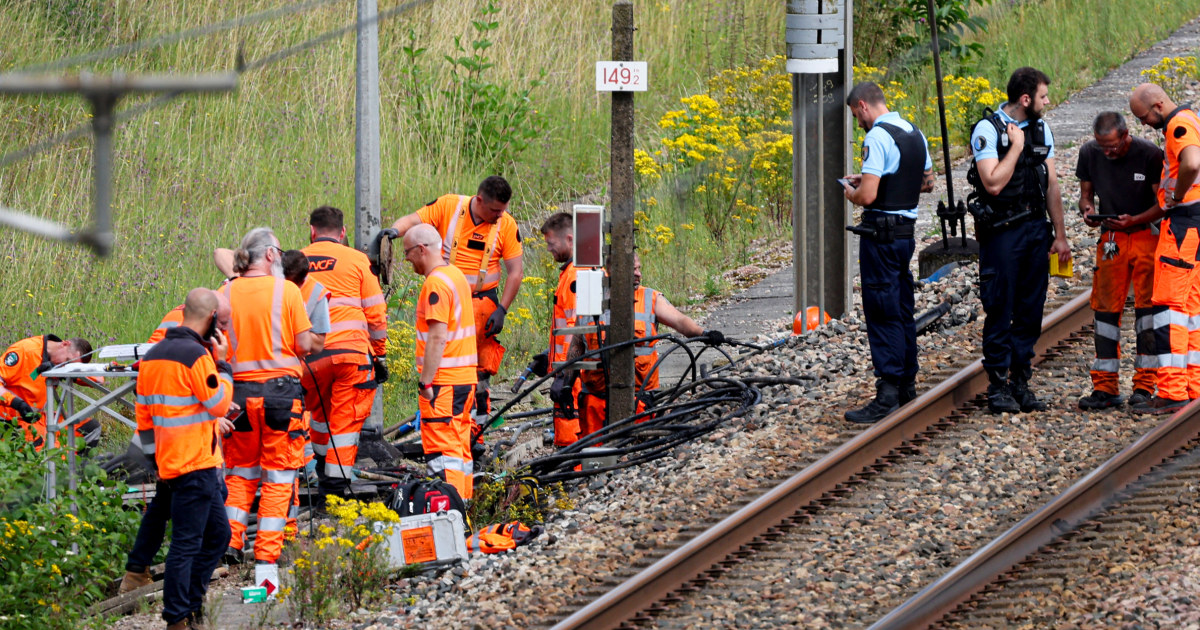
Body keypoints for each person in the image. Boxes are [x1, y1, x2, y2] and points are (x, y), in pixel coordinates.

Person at [967, 66, 1072, 414]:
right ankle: (998, 387)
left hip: (1035, 229)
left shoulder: (1042, 128)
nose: (1048, 101)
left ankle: (1020, 382)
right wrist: (1016, 147)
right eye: (1043, 96)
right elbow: (993, 182)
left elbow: (1052, 184)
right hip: (1002, 233)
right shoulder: (989, 130)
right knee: (1000, 306)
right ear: (1026, 99)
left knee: (1030, 309)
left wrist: (1060, 235)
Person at [132, 288, 234, 630]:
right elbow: (218, 403)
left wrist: (155, 463)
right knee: (187, 545)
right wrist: (224, 365)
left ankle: (190, 602)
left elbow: (144, 420)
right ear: (209, 320)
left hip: (172, 464)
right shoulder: (197, 356)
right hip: (195, 465)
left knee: (218, 535)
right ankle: (177, 618)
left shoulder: (153, 355)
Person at [390, 176, 523, 423]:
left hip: (483, 305)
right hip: (447, 299)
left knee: (480, 371)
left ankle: (477, 432)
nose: (500, 216)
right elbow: (412, 221)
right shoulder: (449, 206)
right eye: (495, 210)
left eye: (503, 211)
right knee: (443, 363)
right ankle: (447, 415)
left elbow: (516, 272)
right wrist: (391, 233)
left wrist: (502, 309)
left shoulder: (506, 224)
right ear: (480, 200)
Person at [839, 81, 934, 424]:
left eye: (855, 115)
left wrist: (852, 191)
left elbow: (867, 197)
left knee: (881, 309)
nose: (858, 123)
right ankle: (907, 383)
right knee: (902, 304)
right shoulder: (914, 132)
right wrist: (870, 180)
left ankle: (888, 391)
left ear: (863, 106)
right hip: (905, 234)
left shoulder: (877, 137)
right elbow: (927, 182)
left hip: (880, 235)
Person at [220, 227, 315, 571]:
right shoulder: (286, 290)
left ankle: (229, 542)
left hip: (238, 397)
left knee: (240, 472)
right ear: (272, 255)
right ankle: (266, 554)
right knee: (278, 476)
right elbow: (304, 345)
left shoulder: (226, 291)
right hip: (281, 396)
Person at [568, 253, 720, 436]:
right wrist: (566, 382)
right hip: (595, 402)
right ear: (612, 271)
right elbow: (577, 345)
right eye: (633, 269)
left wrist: (704, 333)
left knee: (638, 448)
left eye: (639, 268)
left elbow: (680, 321)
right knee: (594, 455)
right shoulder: (592, 300)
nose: (638, 274)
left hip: (640, 399)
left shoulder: (649, 298)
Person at [1075, 111, 1164, 410]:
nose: (1108, 152)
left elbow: (1163, 204)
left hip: (1144, 236)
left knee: (1147, 312)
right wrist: (1087, 209)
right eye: (1103, 146)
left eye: (1112, 145)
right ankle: (1105, 387)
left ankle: (1145, 386)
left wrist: (1135, 220)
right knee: (1104, 311)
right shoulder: (1090, 153)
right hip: (1111, 237)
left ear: (1126, 135)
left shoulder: (1150, 155)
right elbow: (1085, 195)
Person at [300, 207, 388, 505]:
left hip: (311, 358)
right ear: (343, 232)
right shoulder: (358, 260)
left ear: (312, 231)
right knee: (345, 422)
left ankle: (324, 473)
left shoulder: (295, 261)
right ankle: (335, 489)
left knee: (320, 418)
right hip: (351, 355)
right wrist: (380, 356)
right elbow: (376, 314)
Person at [1128, 83, 1200, 413]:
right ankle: (1193, 384)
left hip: (1184, 225)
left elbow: (1192, 162)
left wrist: (1176, 196)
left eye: (1143, 117)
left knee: (1169, 307)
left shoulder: (1177, 124)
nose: (1144, 124)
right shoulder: (1190, 119)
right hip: (1195, 226)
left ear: (1158, 105)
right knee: (1191, 309)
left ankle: (1172, 391)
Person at [404, 224, 478, 500]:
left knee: (443, 453)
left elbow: (437, 336)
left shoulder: (435, 282)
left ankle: (450, 513)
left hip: (444, 383)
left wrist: (426, 381)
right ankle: (464, 508)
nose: (407, 259)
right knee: (459, 450)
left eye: (408, 253)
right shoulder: (455, 275)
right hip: (464, 380)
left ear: (421, 250)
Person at [536, 211, 583, 445]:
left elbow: (578, 332)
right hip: (571, 374)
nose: (548, 249)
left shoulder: (575, 276)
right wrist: (549, 357)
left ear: (570, 239)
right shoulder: (570, 274)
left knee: (572, 441)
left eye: (551, 244)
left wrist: (565, 375)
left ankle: (574, 476)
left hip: (575, 380)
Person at [0, 334, 92, 449]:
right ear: (65, 344)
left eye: (70, 366)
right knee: (45, 449)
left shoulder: (61, 365)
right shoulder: (25, 351)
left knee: (90, 428)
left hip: (37, 418)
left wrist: (69, 372)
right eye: (67, 361)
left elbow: (99, 379)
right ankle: (69, 464)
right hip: (10, 418)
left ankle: (84, 465)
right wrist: (17, 403)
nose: (66, 366)